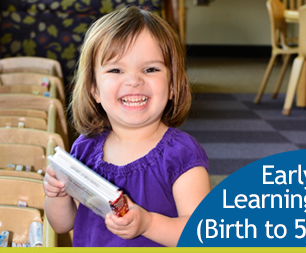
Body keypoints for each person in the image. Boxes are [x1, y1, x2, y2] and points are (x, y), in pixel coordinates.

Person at [43, 6, 211, 247]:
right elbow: (62, 225)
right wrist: (57, 195)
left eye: (150, 69)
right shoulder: (85, 148)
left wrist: (148, 224)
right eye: (116, 70)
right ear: (94, 88)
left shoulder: (181, 154)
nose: (134, 80)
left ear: (173, 85)